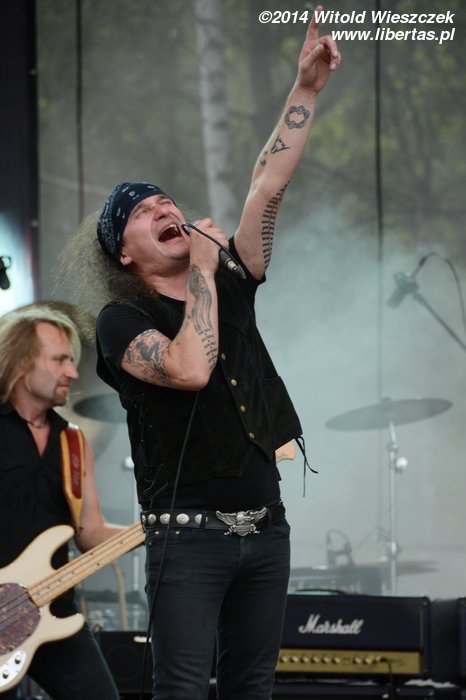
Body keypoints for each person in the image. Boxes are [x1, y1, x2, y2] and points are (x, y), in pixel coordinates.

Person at [66, 9, 340, 700]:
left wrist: (305, 88)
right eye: (143, 212)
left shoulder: (229, 278)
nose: (164, 208)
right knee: (183, 689)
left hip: (266, 530)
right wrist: (203, 271)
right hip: (185, 542)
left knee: (253, 687)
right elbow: (189, 368)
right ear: (124, 253)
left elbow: (266, 185)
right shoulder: (122, 320)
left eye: (167, 201)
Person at [0, 305, 123, 700]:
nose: (72, 372)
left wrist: (158, 529)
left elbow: (90, 533)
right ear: (21, 362)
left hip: (52, 611)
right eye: (59, 360)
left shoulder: (73, 442)